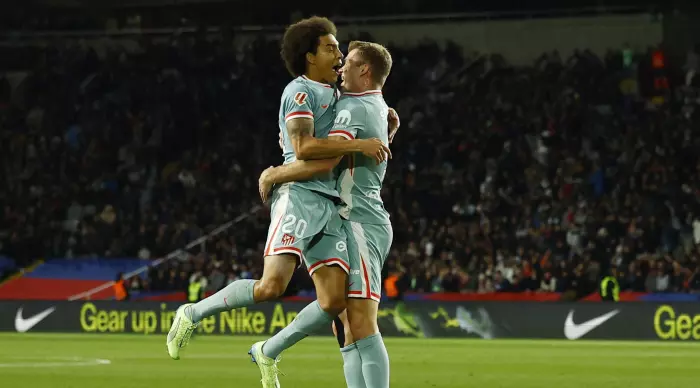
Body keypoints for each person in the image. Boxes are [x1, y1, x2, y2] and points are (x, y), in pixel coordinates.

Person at [166, 17, 397, 386]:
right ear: (309, 56)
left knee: (335, 303)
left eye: (341, 50)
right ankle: (193, 312)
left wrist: (382, 125)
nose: (338, 55)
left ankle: (267, 350)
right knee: (273, 286)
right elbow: (305, 148)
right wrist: (275, 173)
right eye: (331, 48)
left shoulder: (339, 96)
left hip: (332, 205)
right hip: (300, 195)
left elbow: (357, 126)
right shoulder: (299, 91)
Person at [259, 40, 394, 388]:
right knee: (348, 329)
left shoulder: (354, 107)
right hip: (350, 220)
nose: (340, 67)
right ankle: (270, 349)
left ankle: (271, 348)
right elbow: (383, 126)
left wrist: (275, 173)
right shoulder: (375, 105)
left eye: (348, 62)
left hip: (361, 221)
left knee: (362, 322)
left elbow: (327, 159)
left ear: (364, 70)